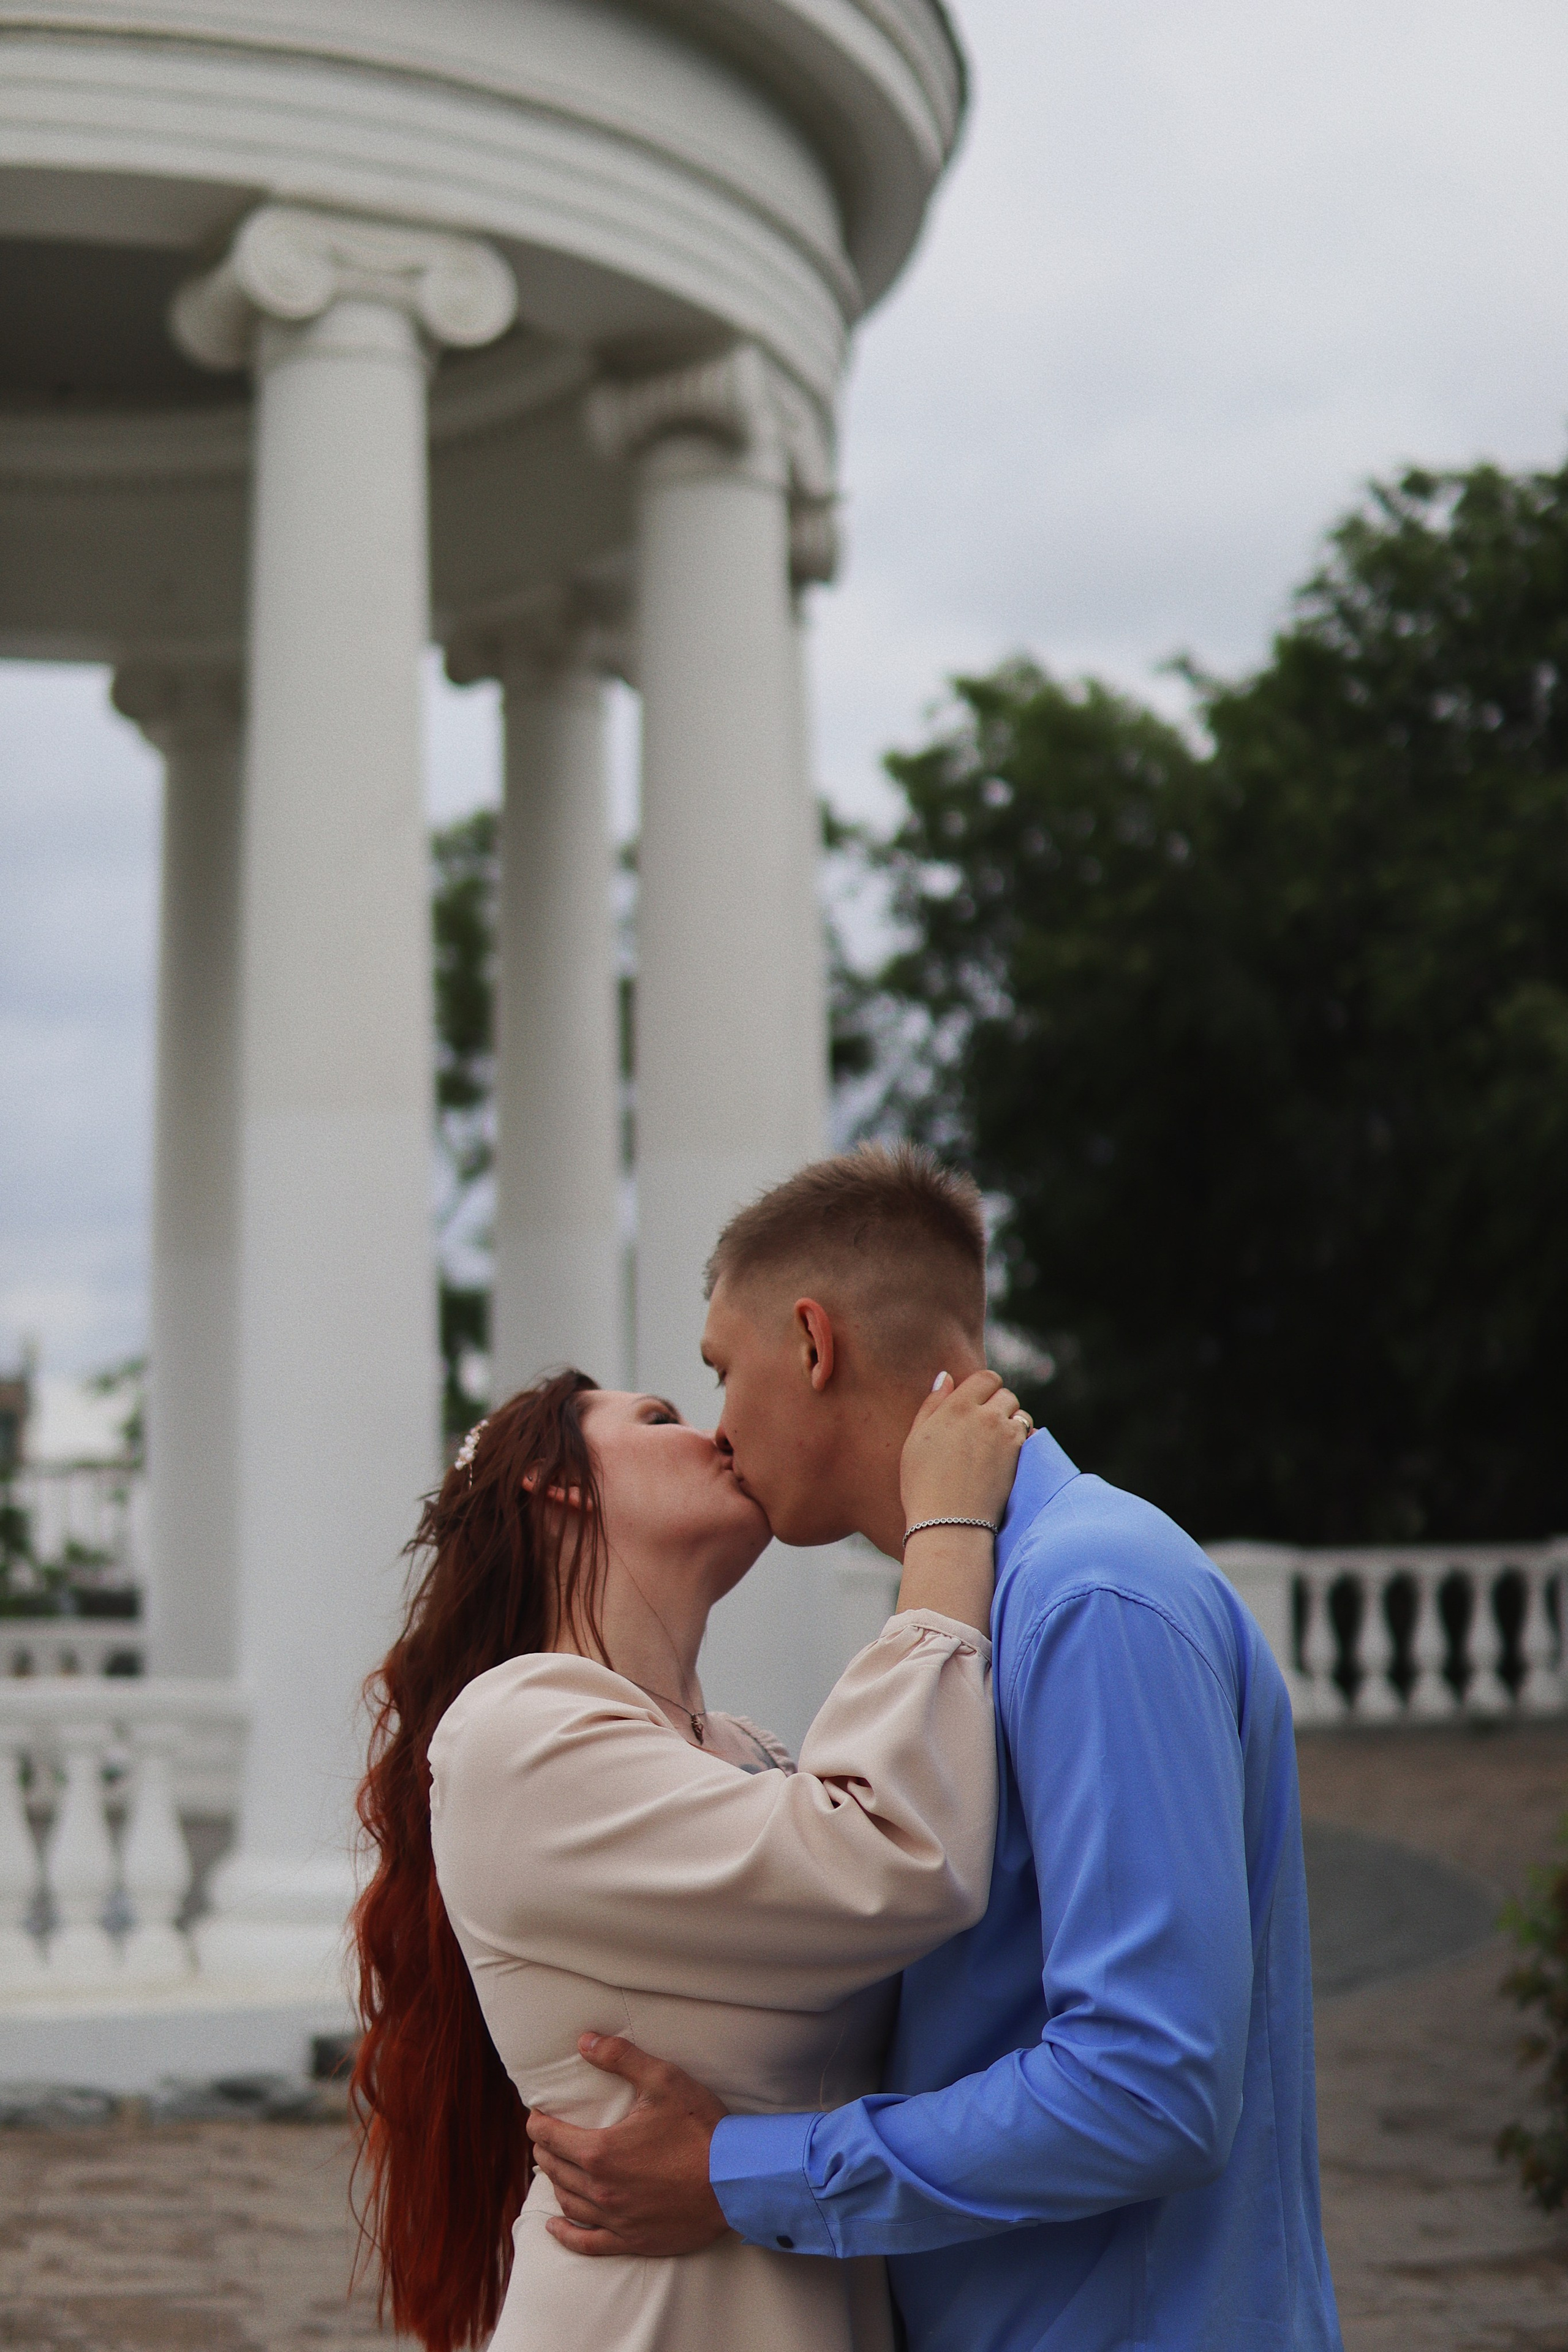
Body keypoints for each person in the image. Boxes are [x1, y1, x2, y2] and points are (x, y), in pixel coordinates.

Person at [527, 1142, 1345, 2352]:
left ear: (813, 1343)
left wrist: (739, 2173)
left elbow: (1147, 2086)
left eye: (721, 1372)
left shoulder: (1089, 1596)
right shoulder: (987, 1608)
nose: (718, 1429)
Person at [349, 1351, 1028, 2352]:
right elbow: (894, 1857)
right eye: (662, 1417)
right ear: (556, 1483)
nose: (720, 1436)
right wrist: (946, 1530)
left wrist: (733, 2171)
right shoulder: (517, 1732)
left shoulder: (746, 1752)